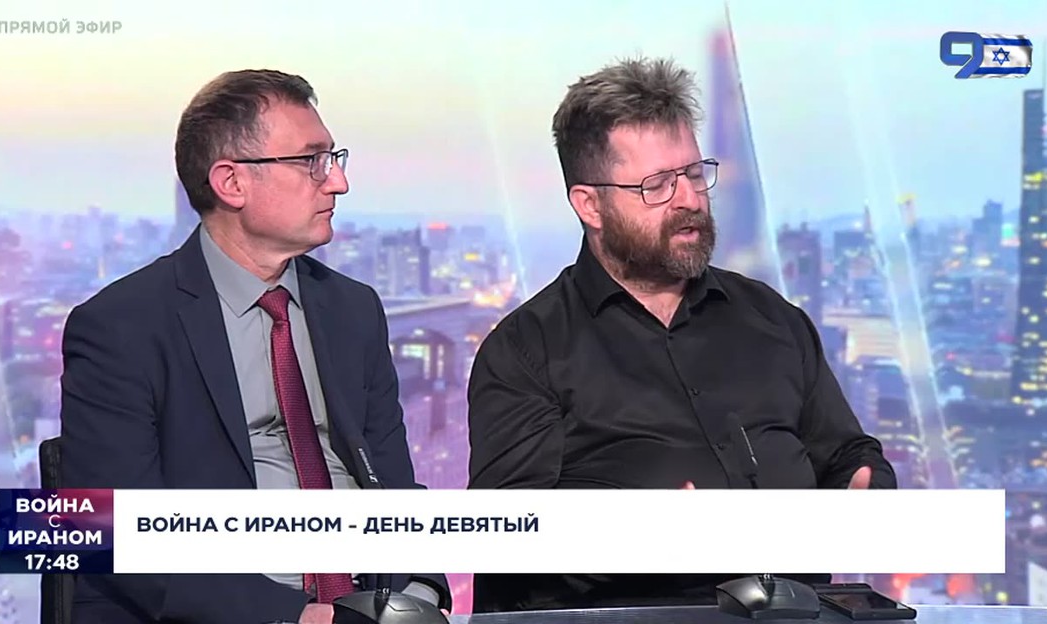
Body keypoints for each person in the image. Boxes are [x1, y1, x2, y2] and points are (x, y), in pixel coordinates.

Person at [466, 56, 897, 612]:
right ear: (590, 205)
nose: (690, 199)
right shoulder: (527, 350)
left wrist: (863, 491)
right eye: (658, 185)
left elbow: (849, 456)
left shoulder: (773, 320)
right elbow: (505, 536)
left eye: (694, 174)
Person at [59, 69, 450, 624]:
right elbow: (113, 532)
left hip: (367, 604)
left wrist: (421, 591)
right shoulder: (121, 326)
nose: (338, 182)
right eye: (312, 161)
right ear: (231, 183)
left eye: (334, 159)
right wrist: (300, 617)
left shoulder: (352, 309)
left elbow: (392, 479)